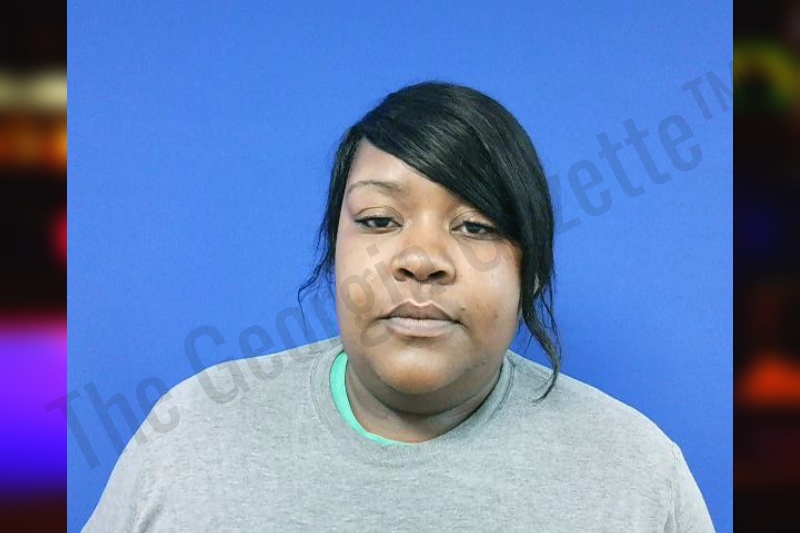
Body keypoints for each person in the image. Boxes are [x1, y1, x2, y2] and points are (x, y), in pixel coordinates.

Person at [82, 82, 715, 532]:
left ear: (531, 270)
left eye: (476, 226)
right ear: (335, 249)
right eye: (380, 219)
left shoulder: (636, 474)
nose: (422, 259)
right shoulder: (192, 435)